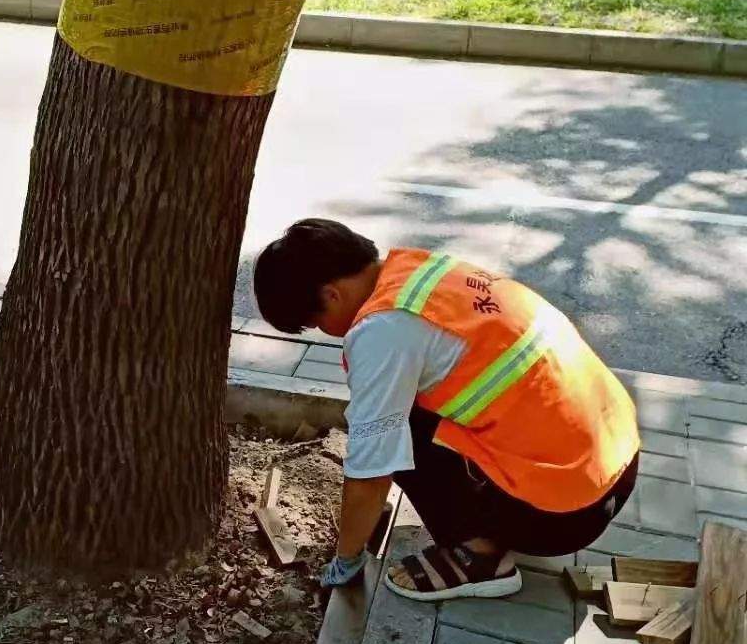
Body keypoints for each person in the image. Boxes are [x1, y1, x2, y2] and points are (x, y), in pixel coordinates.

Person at [253, 221, 639, 600]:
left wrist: (346, 558)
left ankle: (481, 561)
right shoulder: (417, 271)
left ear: (332, 295)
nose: (324, 331)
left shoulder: (381, 330)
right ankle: (500, 516)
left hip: (567, 516)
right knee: (403, 411)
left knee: (396, 432)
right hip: (615, 465)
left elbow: (372, 469)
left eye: (315, 322)